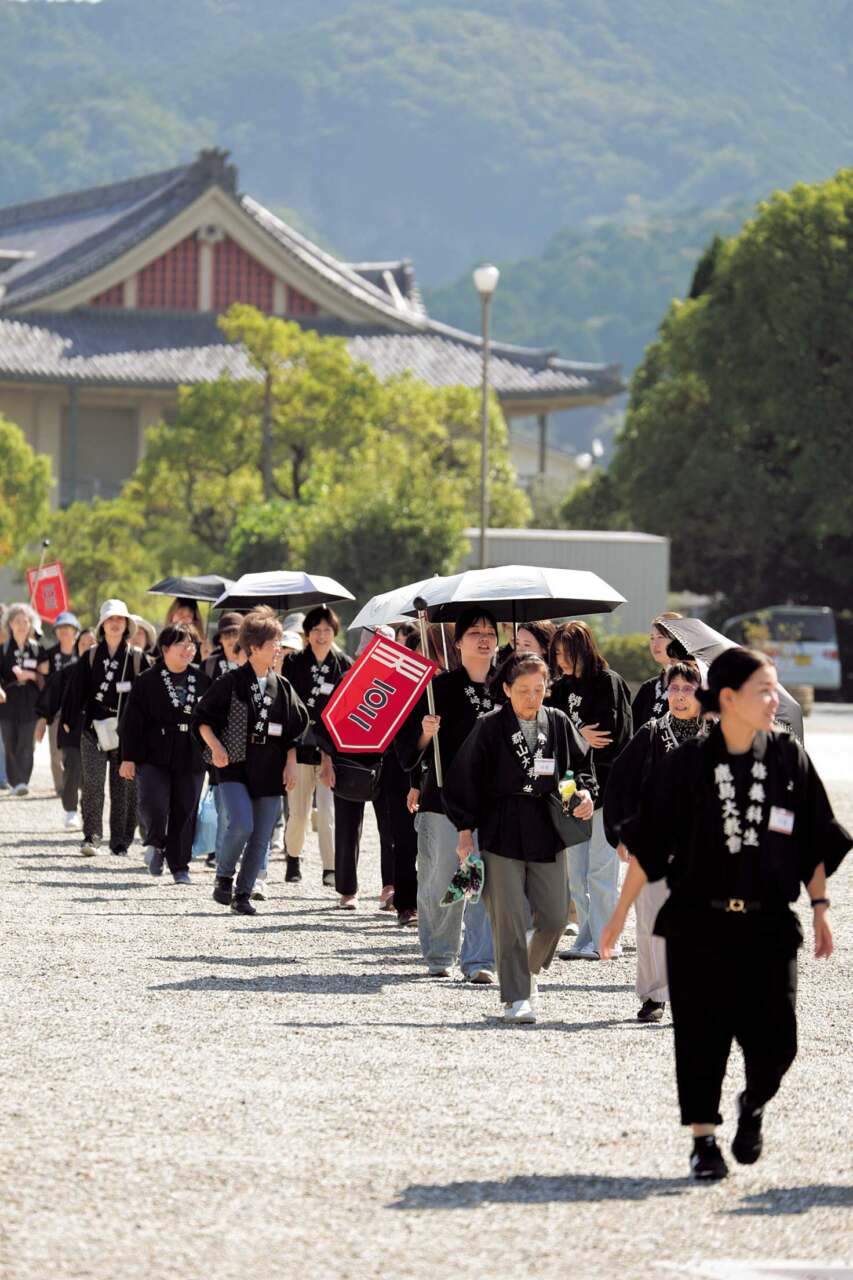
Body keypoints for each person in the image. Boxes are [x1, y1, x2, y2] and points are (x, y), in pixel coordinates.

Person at [600, 648, 850, 1181]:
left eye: (775, 688)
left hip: (768, 925)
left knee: (778, 1040)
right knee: (700, 1035)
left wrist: (822, 908)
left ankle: (753, 1104)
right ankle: (703, 1140)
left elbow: (813, 838)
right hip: (697, 922)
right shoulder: (684, 765)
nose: (774, 699)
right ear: (730, 698)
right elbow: (650, 843)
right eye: (764, 689)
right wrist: (619, 915)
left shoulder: (788, 759)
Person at [444, 654, 596, 1022]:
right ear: (507, 689)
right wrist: (465, 831)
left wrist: (587, 794)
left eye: (539, 689)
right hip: (501, 826)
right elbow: (463, 779)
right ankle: (515, 999)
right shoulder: (490, 726)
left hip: (547, 825)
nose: (532, 698)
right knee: (509, 917)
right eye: (524, 690)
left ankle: (523, 972)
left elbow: (581, 766)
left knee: (556, 917)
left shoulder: (557, 721)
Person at [396, 607, 499, 983]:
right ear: (458, 642)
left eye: (490, 632)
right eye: (475, 633)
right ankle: (440, 952)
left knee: (484, 881)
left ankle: (479, 960)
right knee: (442, 877)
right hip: (443, 798)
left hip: (493, 801)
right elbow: (407, 749)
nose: (484, 638)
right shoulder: (437, 689)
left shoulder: (509, 684)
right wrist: (425, 731)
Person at [604, 660, 708, 1022]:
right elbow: (620, 781)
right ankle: (654, 996)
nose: (680, 696)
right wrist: (620, 832)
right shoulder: (651, 733)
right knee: (650, 920)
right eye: (674, 689)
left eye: (688, 689)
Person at [194, 608, 309, 916]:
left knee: (262, 834)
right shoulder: (229, 682)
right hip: (233, 765)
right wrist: (215, 747)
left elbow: (294, 730)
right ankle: (224, 876)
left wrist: (292, 763)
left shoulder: (282, 687)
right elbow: (201, 719)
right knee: (242, 822)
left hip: (270, 767)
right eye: (273, 643)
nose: (278, 649)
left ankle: (242, 894)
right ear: (254, 648)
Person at [549, 621, 633, 960]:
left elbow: (610, 737)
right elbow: (556, 736)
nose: (560, 660)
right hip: (569, 788)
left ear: (582, 649)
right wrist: (580, 734)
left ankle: (604, 939)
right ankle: (585, 936)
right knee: (576, 873)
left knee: (601, 870)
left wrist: (579, 737)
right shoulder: (559, 687)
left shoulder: (608, 683)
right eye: (555, 654)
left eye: (565, 653)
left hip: (606, 789)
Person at [119, 623, 211, 884]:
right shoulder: (147, 680)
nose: (188, 649)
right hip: (153, 753)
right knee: (153, 803)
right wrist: (128, 757)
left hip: (190, 753)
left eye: (192, 644)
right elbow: (131, 723)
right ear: (166, 648)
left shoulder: (203, 680)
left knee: (185, 809)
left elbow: (213, 718)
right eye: (182, 644)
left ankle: (180, 865)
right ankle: (157, 842)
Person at [61, 599, 147, 855]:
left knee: (124, 786)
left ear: (127, 625)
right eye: (110, 619)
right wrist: (68, 717)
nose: (115, 623)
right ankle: (91, 836)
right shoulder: (91, 656)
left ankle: (121, 841)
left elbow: (147, 695)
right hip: (93, 729)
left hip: (126, 732)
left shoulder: (137, 658)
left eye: (120, 619)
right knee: (93, 784)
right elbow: (75, 689)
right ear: (102, 625)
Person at [282, 605, 353, 886]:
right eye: (316, 630)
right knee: (298, 814)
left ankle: (330, 868)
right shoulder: (293, 662)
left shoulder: (343, 664)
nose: (322, 635)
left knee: (327, 812)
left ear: (334, 632)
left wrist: (331, 755)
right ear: (307, 634)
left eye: (327, 630)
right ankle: (293, 857)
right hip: (300, 746)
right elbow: (286, 706)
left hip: (331, 750)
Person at [35, 613, 86, 827]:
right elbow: (46, 682)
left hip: (91, 720)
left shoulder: (94, 662)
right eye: (60, 628)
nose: (64, 632)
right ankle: (66, 794)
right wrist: (41, 720)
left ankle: (79, 795)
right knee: (62, 757)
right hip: (61, 713)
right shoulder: (51, 655)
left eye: (68, 628)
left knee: (86, 766)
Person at [0, 603, 43, 795]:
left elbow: (45, 677)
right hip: (7, 701)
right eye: (17, 621)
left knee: (26, 741)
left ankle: (22, 781)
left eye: (25, 621)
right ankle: (14, 781)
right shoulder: (3, 649)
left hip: (29, 701)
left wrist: (32, 676)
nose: (21, 625)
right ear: (9, 624)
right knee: (9, 740)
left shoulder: (37, 649)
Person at [631, 612, 684, 730]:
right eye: (652, 638)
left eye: (660, 637)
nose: (655, 644)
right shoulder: (648, 687)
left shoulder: (694, 684)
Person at [203, 613, 244, 681]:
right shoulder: (209, 665)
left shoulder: (254, 663)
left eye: (236, 634)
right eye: (226, 635)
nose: (231, 639)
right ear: (220, 639)